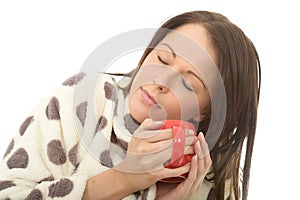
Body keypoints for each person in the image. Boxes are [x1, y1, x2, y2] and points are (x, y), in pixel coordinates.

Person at [0, 10, 261, 200]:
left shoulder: (209, 177)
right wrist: (125, 179)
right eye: (162, 58)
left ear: (206, 110)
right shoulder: (82, 100)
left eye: (188, 83)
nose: (160, 79)